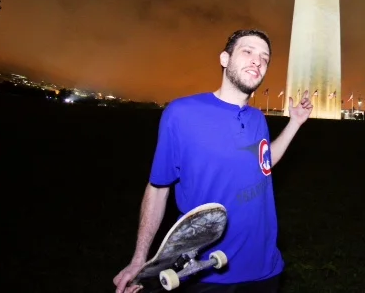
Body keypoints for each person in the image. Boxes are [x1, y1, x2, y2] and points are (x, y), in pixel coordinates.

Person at [113, 29, 313, 293]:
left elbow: (263, 164)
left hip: (266, 269)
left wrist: (295, 123)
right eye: (248, 51)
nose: (258, 61)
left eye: (265, 58)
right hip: (207, 274)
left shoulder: (257, 118)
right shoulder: (181, 113)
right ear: (224, 59)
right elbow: (158, 187)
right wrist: (141, 258)